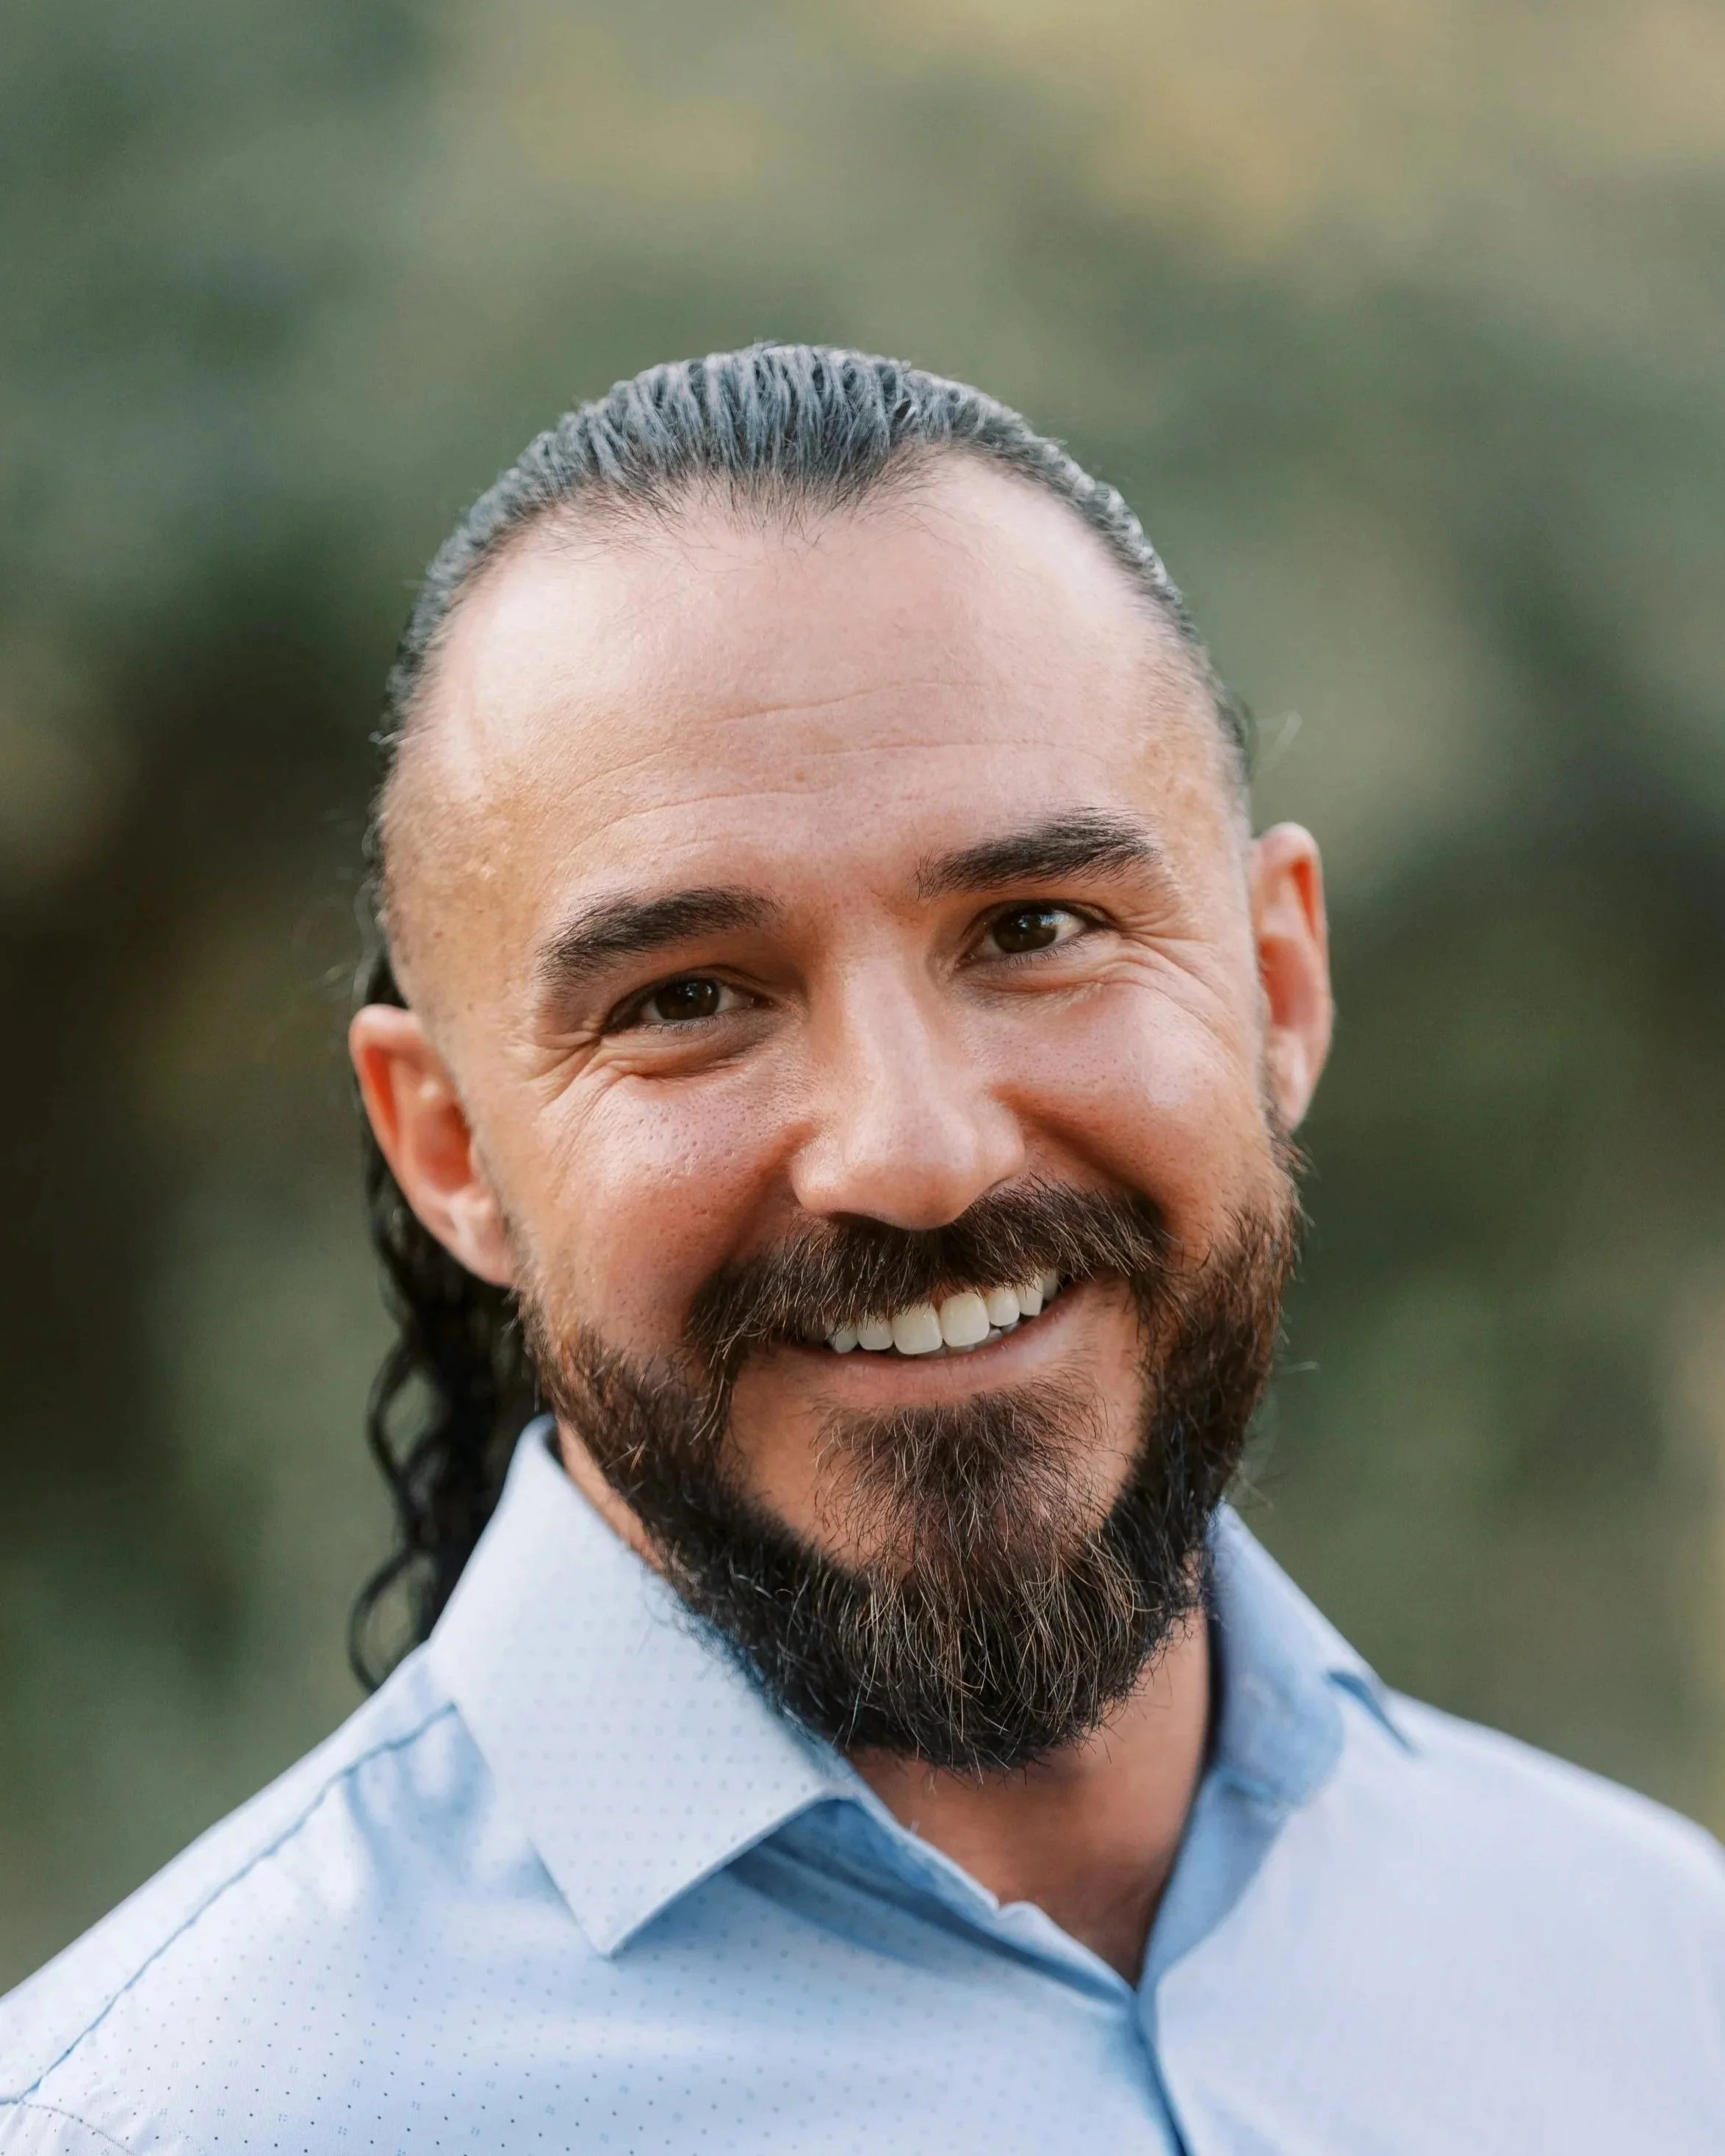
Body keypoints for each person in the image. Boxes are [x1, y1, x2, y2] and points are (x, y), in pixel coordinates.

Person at [2, 346, 1721, 2154]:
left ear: (1277, 984)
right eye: (686, 999)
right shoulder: (151, 2122)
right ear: (450, 1151)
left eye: (1036, 927)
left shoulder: (1649, 1979)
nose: (910, 1152)